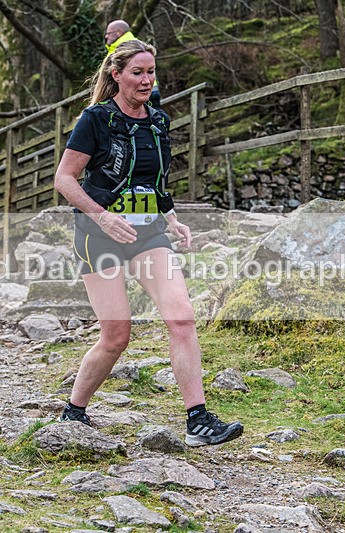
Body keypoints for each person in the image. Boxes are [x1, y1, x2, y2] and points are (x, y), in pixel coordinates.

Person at [53, 39, 243, 447]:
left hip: (149, 233)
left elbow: (155, 181)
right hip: (99, 235)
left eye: (151, 72)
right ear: (116, 75)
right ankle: (74, 411)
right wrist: (101, 215)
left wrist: (172, 218)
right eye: (137, 72)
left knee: (182, 317)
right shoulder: (95, 120)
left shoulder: (159, 121)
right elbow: (64, 179)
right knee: (117, 335)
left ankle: (198, 420)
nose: (146, 79)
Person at [104, 20, 161, 108]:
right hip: (147, 92)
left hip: (139, 93)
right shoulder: (128, 45)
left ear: (119, 32)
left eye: (109, 33)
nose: (106, 36)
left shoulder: (127, 48)